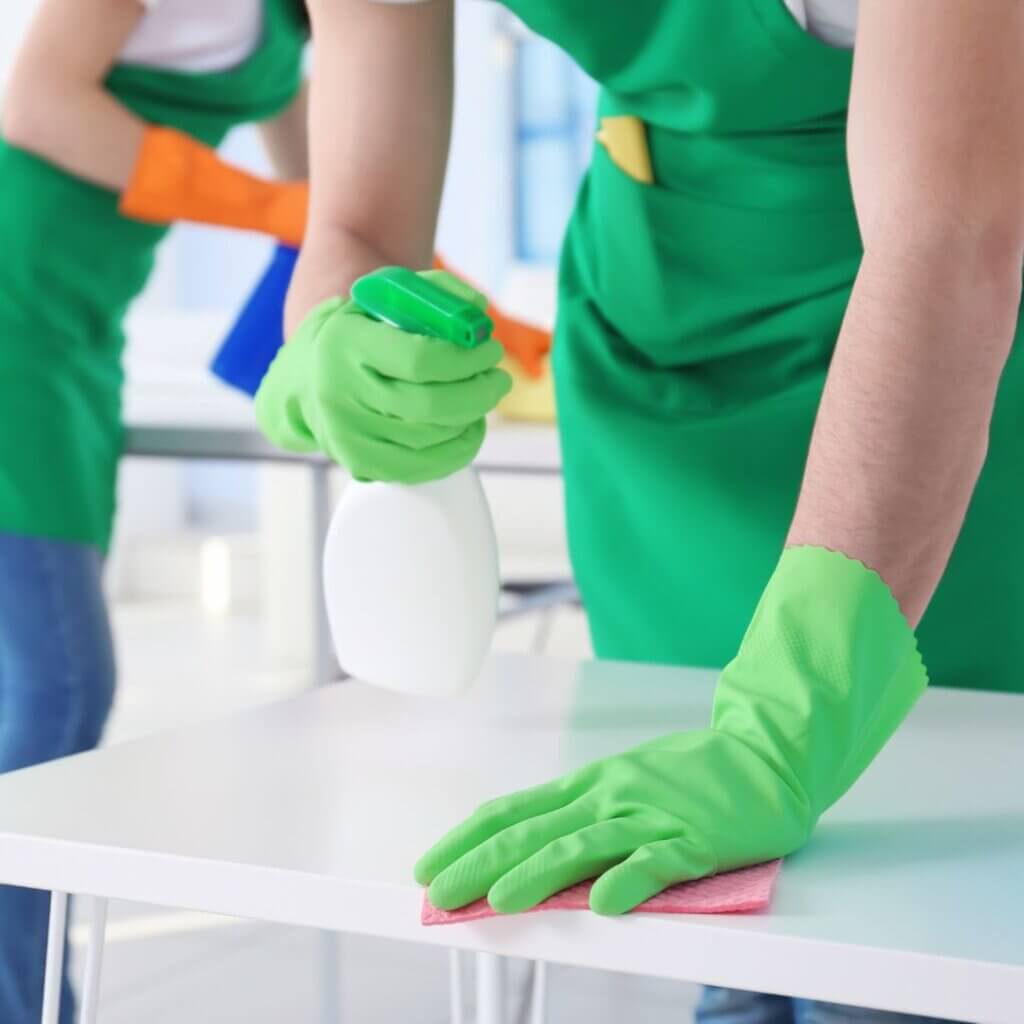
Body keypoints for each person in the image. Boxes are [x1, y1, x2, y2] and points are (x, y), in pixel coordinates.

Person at [254, 1, 1024, 1021]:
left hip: (942, 362)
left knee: (911, 925)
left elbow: (954, 235)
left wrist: (786, 723)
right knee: (721, 901)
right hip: (657, 356)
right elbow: (355, 224)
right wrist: (331, 333)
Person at [0, 1, 313, 1020]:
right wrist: (262, 207)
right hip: (11, 312)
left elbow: (329, 190)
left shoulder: (304, 19)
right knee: (58, 688)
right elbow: (37, 103)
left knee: (42, 695)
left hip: (77, 331)